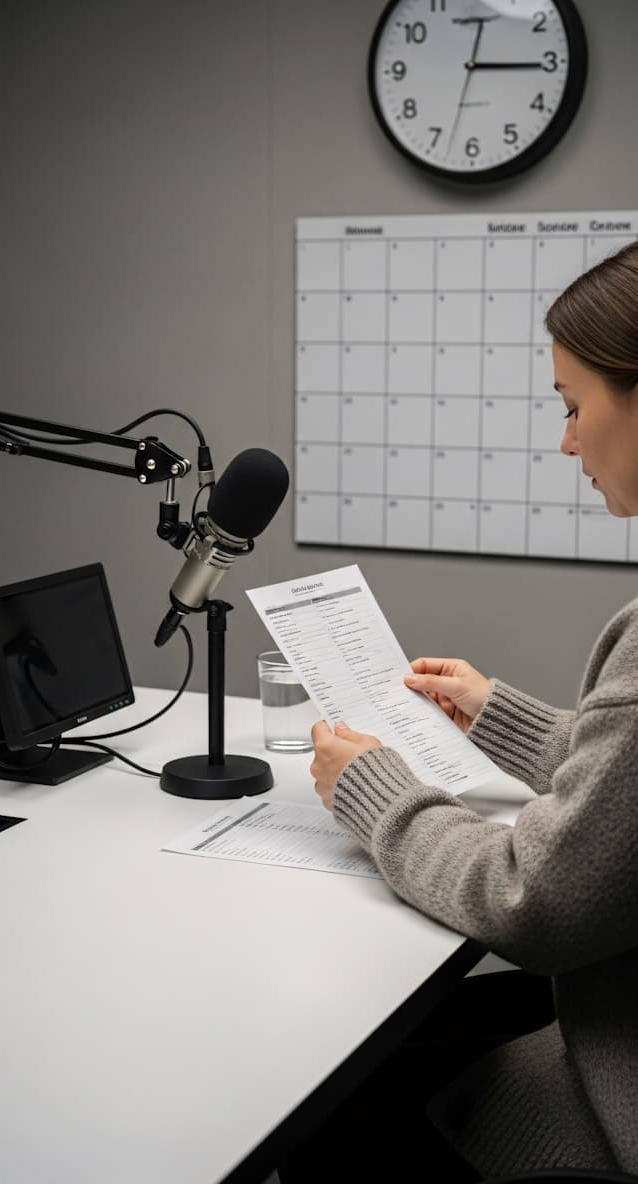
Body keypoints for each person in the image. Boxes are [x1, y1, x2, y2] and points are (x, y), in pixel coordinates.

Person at [278, 241, 638, 1183]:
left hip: (614, 1098)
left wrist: (376, 795)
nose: (565, 441)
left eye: (572, 407)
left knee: (335, 1104)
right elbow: (627, 794)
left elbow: (537, 901)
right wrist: (503, 719)